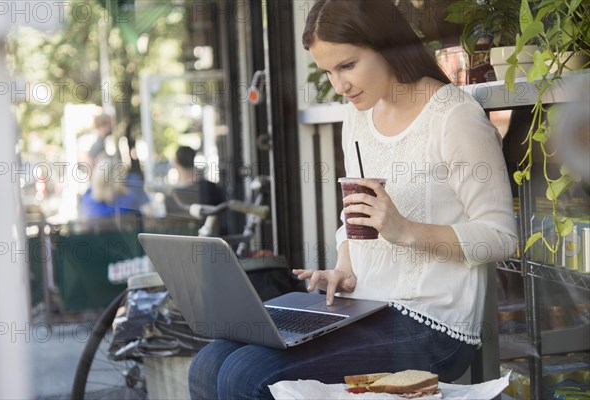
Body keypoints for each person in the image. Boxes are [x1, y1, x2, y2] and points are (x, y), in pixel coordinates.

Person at [188, 1, 517, 398]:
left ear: (388, 45)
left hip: (432, 325)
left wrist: (407, 231)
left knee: (246, 374)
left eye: (347, 65)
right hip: (362, 306)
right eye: (328, 71)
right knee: (209, 362)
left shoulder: (453, 117)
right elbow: (355, 216)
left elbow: (500, 236)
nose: (339, 85)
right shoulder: (358, 118)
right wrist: (343, 270)